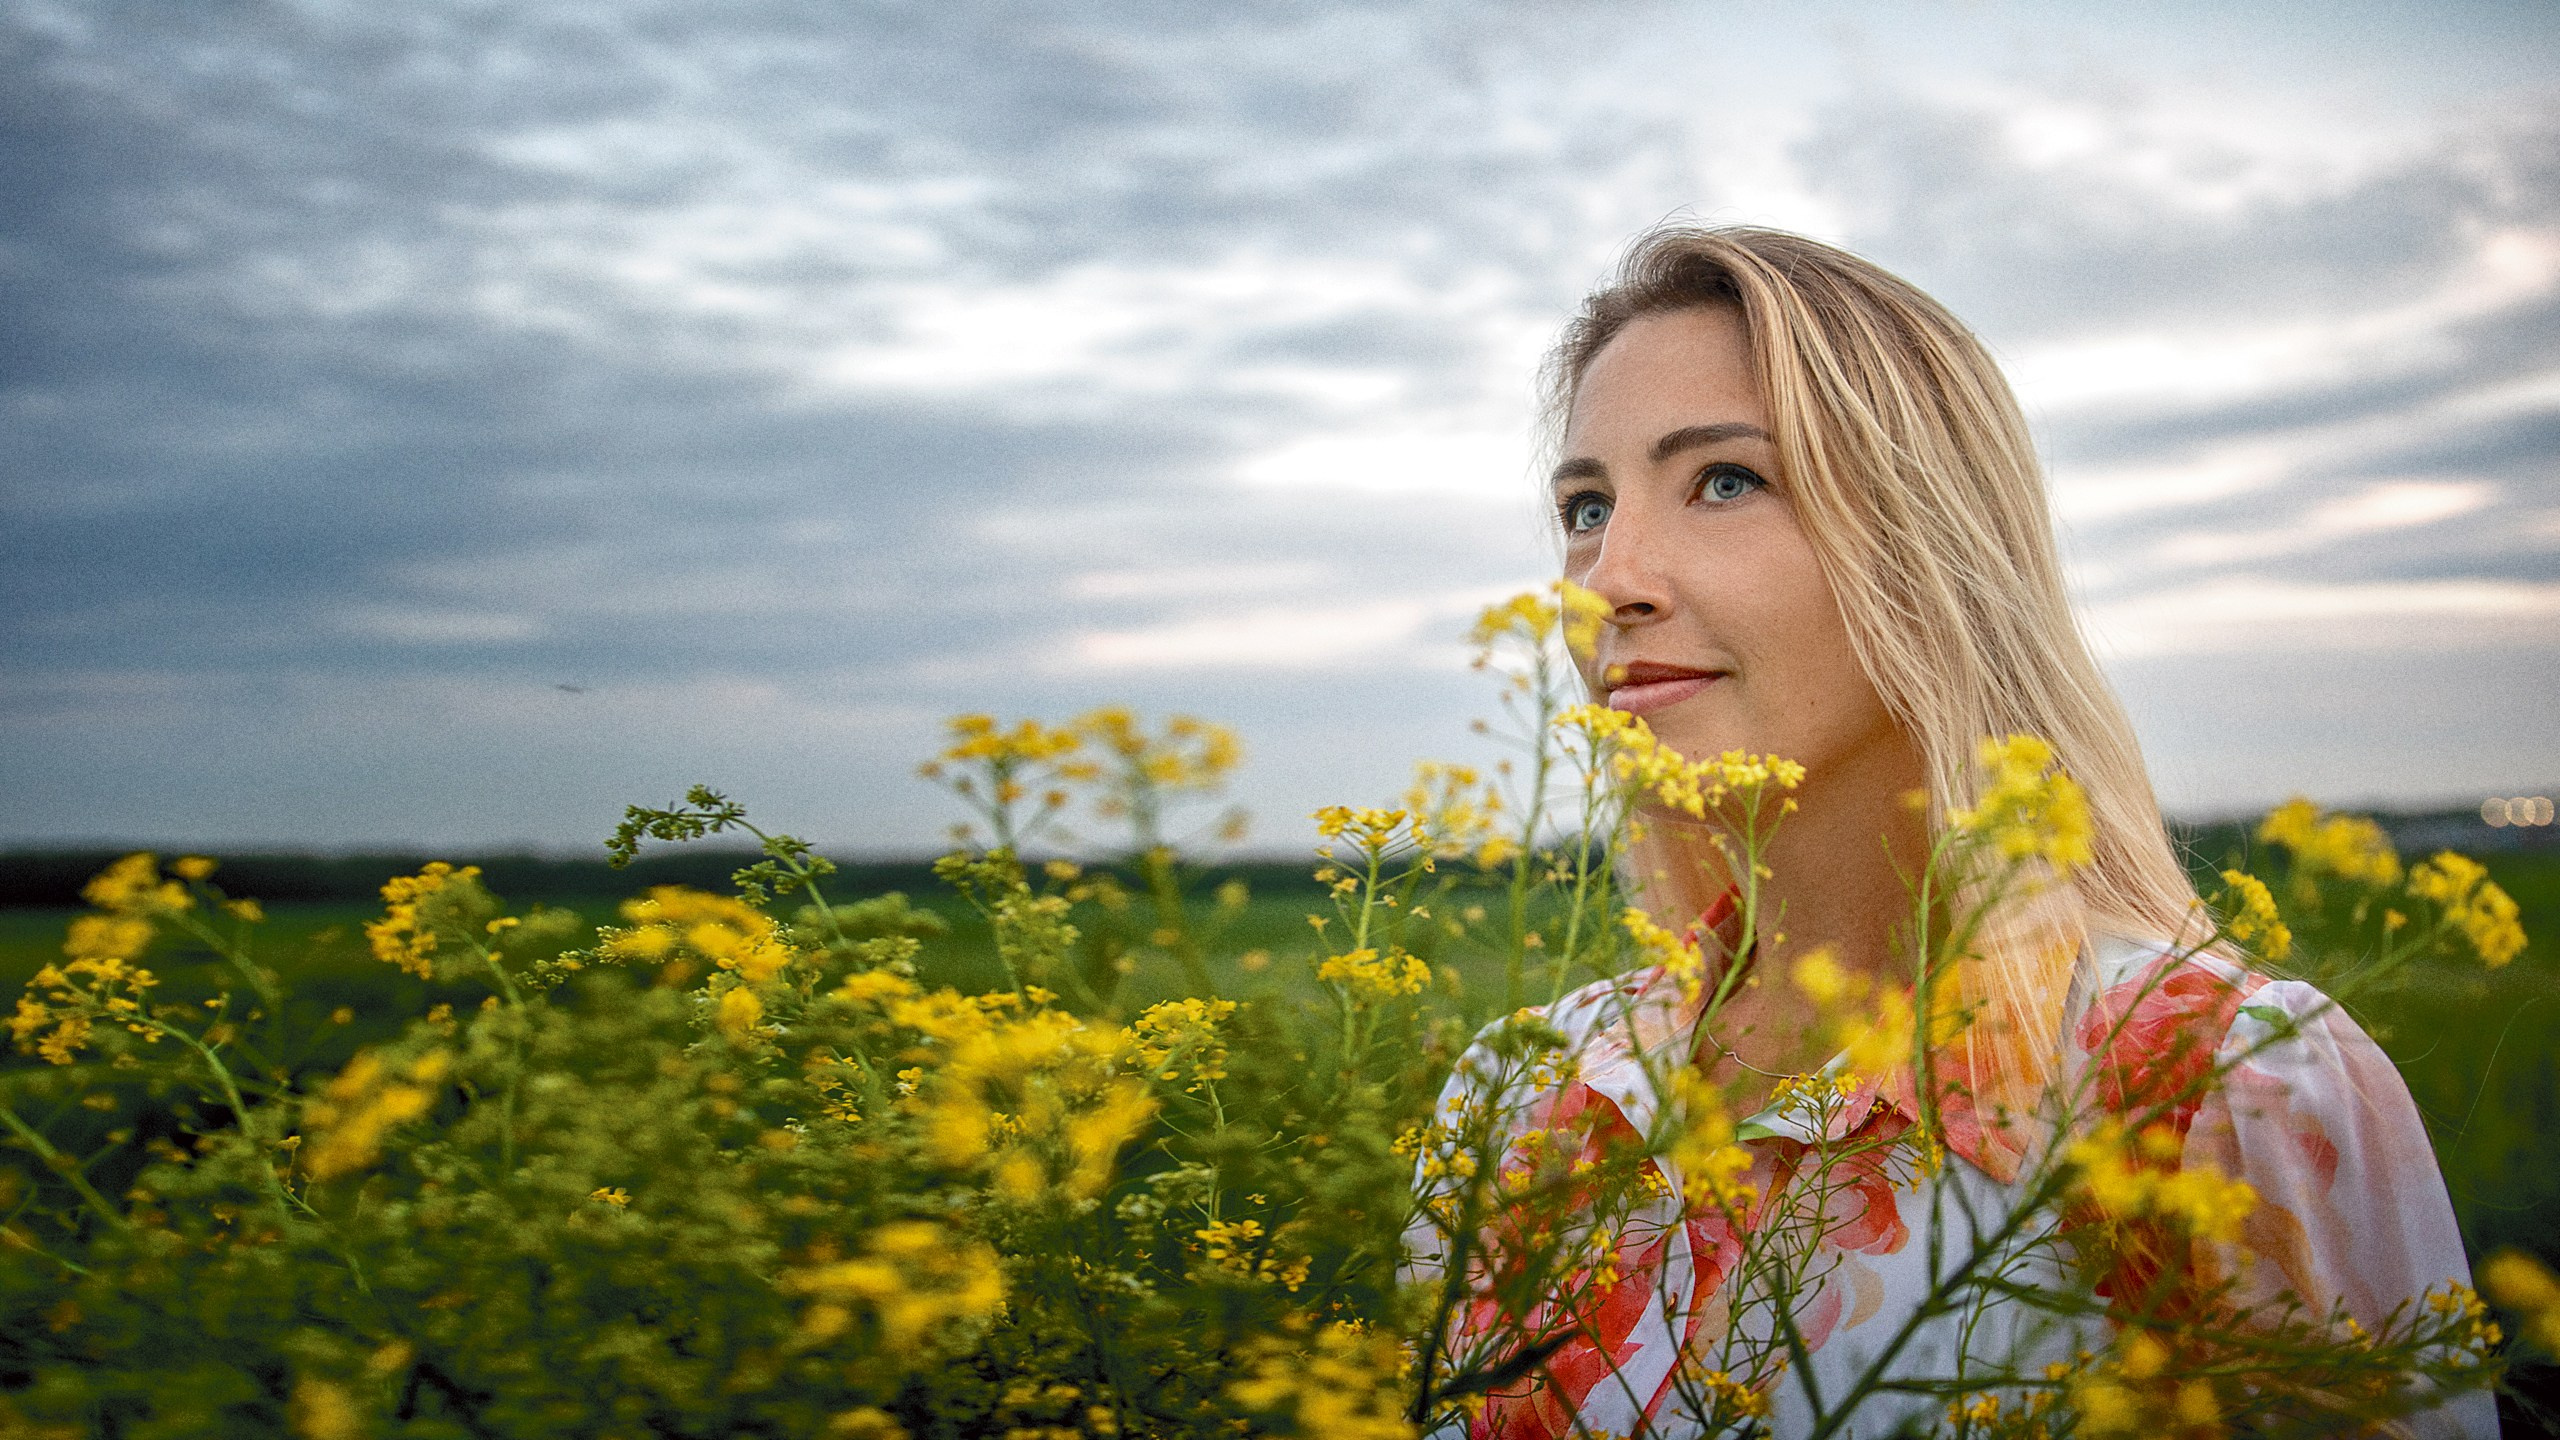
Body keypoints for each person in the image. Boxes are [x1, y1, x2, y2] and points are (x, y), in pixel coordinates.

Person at [1406, 226, 2492, 1438]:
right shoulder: (1523, 1100)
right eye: (1585, 506)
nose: (1609, 581)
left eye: (1725, 480)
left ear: (1928, 545)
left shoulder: (2218, 1089)